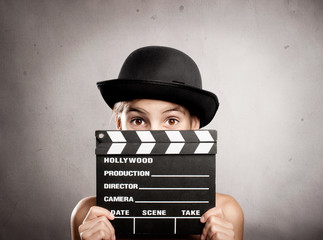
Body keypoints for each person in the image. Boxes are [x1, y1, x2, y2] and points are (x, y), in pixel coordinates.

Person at [71, 46, 244, 240]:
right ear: (120, 125)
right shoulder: (87, 217)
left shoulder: (226, 214)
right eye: (138, 120)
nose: (154, 134)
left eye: (171, 120)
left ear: (193, 125)